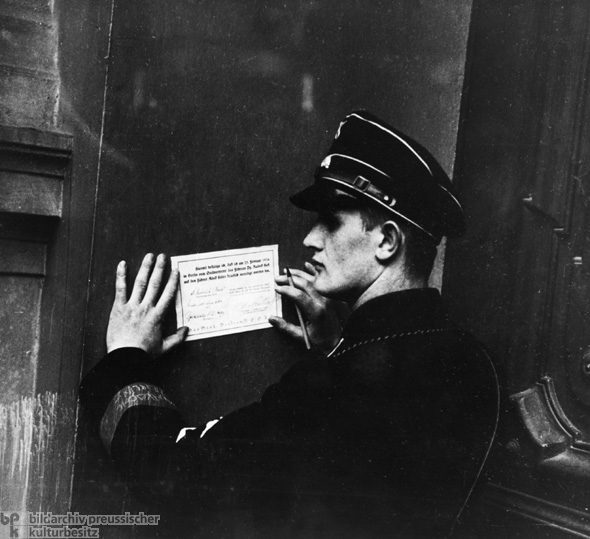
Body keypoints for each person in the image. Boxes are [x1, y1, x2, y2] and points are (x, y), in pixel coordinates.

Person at [79, 110, 500, 538]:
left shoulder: (333, 390)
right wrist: (337, 347)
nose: (310, 239)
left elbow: (173, 472)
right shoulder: (474, 361)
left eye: (331, 222)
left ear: (388, 241)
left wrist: (126, 358)